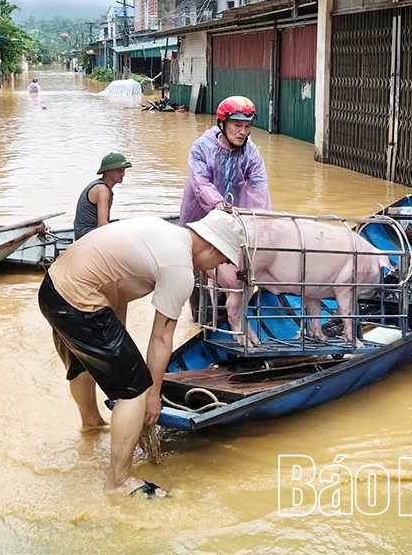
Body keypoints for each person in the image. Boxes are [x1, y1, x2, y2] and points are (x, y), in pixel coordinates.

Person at [37, 211, 244, 498]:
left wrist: (118, 350)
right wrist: (152, 395)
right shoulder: (180, 268)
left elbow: (116, 286)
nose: (213, 270)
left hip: (52, 289)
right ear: (211, 246)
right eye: (219, 261)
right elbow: (161, 338)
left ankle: (91, 424)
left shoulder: (161, 230)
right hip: (79, 302)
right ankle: (118, 481)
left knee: (83, 363)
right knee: (134, 388)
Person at [179, 96, 271, 226]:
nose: (243, 132)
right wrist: (218, 203)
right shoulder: (201, 147)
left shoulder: (251, 152)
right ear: (222, 123)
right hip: (200, 216)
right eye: (237, 125)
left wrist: (260, 219)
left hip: (235, 216)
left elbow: (259, 187)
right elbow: (201, 183)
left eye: (247, 126)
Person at [74, 152, 131, 240]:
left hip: (85, 232)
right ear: (108, 171)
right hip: (85, 236)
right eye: (119, 170)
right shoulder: (102, 190)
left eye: (123, 170)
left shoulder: (103, 187)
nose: (123, 174)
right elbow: (102, 224)